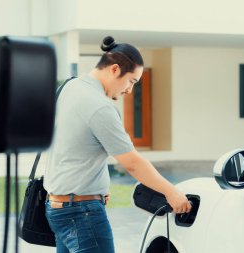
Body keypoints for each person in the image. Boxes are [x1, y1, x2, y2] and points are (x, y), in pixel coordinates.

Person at [44, 36, 191, 253]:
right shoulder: (100, 106)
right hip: (81, 212)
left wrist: (98, 182)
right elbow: (132, 163)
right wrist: (172, 192)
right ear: (114, 69)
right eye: (131, 81)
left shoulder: (69, 88)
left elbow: (74, 145)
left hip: (57, 207)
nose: (130, 90)